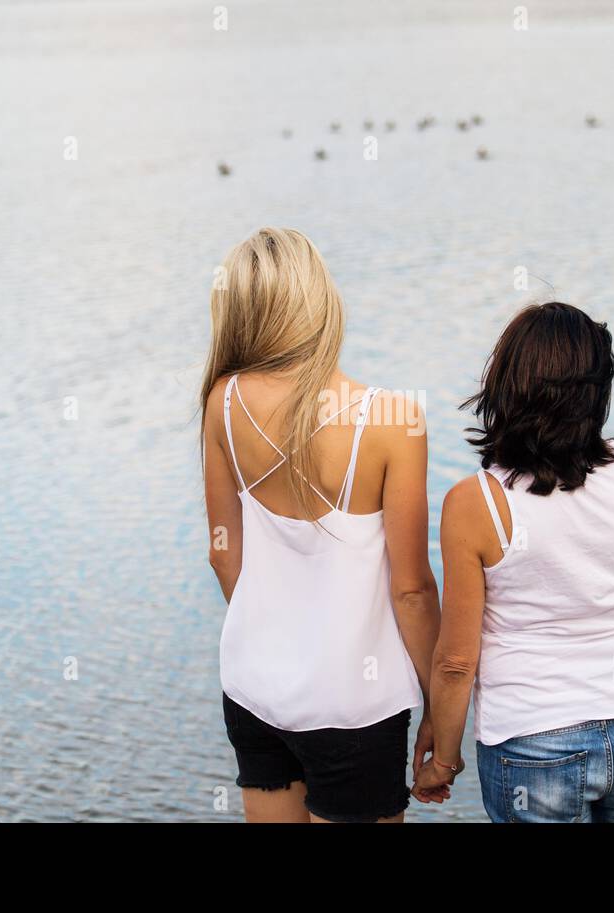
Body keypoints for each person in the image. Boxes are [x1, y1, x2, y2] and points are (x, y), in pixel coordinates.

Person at [200, 227, 439, 823]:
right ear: (320, 303)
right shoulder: (392, 420)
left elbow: (223, 553)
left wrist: (279, 641)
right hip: (354, 707)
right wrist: (440, 701)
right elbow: (411, 589)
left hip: (255, 688)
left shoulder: (222, 402)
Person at [412, 301, 614, 822]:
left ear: (505, 385)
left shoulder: (475, 505)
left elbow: (455, 662)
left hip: (534, 743)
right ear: (596, 395)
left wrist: (443, 761)